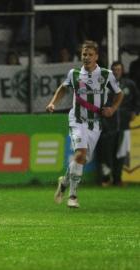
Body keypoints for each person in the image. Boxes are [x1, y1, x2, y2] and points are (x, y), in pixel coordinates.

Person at [46, 40, 123, 208]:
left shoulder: (106, 74)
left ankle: (64, 182)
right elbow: (63, 88)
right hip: (77, 120)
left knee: (81, 159)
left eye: (90, 54)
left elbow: (119, 94)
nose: (86, 57)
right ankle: (73, 196)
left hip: (95, 123)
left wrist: (112, 109)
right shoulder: (74, 74)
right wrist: (53, 103)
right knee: (80, 154)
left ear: (96, 56)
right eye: (84, 54)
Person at [97, 61, 140, 187]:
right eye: (114, 69)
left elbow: (137, 100)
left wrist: (135, 112)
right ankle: (105, 179)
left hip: (124, 125)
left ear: (122, 70)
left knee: (121, 154)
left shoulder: (129, 85)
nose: (116, 71)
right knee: (106, 154)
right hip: (108, 125)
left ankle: (118, 179)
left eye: (119, 69)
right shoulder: (104, 85)